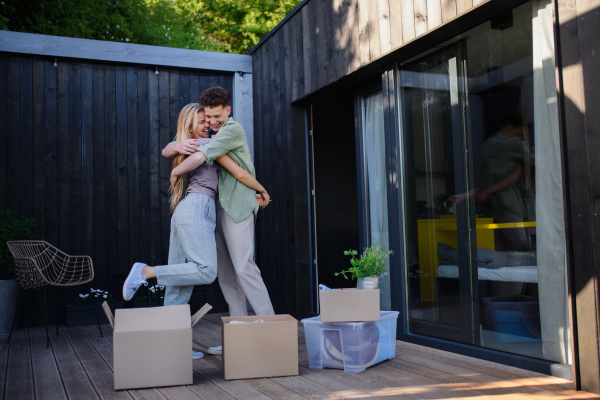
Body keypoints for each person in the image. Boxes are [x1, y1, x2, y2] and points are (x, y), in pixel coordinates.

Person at [122, 103, 268, 360]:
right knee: (206, 271)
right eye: (201, 120)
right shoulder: (202, 144)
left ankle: (174, 348)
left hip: (185, 211)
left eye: (208, 119)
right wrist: (262, 190)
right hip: (198, 208)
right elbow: (235, 171)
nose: (206, 124)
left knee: (180, 286)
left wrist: (176, 151)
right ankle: (147, 272)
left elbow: (167, 149)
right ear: (190, 126)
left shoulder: (197, 142)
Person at [163, 86, 275, 356]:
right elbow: (170, 147)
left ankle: (272, 329)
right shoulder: (211, 131)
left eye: (216, 116)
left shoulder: (231, 130)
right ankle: (237, 337)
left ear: (228, 110)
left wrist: (177, 171)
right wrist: (176, 147)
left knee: (243, 266)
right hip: (217, 209)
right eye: (208, 118)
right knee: (226, 273)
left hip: (237, 206)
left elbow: (215, 162)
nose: (211, 122)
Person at [449, 112, 533, 251]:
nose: (521, 140)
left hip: (496, 208)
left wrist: (465, 196)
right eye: (520, 135)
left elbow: (487, 183)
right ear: (508, 129)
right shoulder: (513, 146)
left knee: (503, 250)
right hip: (508, 206)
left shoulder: (489, 145)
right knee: (522, 250)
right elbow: (535, 163)